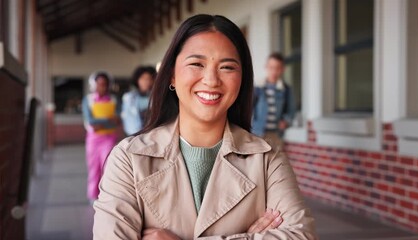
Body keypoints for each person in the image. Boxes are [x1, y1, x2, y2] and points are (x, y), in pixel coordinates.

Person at [93, 14, 316, 240]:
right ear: (171, 74)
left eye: (227, 67)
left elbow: (302, 235)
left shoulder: (268, 159)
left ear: (242, 79)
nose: (211, 80)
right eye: (197, 64)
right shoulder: (129, 159)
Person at [82, 71, 121, 202]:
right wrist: (108, 120)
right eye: (99, 84)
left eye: (104, 84)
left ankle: (106, 195)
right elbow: (91, 122)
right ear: (93, 85)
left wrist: (101, 122)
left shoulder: (114, 100)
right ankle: (93, 196)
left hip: (109, 138)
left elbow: (117, 120)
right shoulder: (88, 100)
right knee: (94, 168)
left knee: (108, 166)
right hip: (93, 140)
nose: (102, 87)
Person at [252, 53, 296, 147]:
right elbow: (249, 108)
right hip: (257, 133)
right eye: (271, 67)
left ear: (282, 69)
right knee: (259, 160)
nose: (274, 71)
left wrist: (286, 121)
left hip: (276, 134)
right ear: (266, 67)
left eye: (277, 68)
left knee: (276, 160)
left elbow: (291, 110)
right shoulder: (258, 87)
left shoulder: (286, 89)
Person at [121, 66, 157, 135]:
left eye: (149, 78)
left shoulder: (157, 96)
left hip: (152, 134)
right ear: (137, 80)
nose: (147, 81)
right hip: (134, 133)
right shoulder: (128, 97)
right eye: (143, 78)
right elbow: (126, 117)